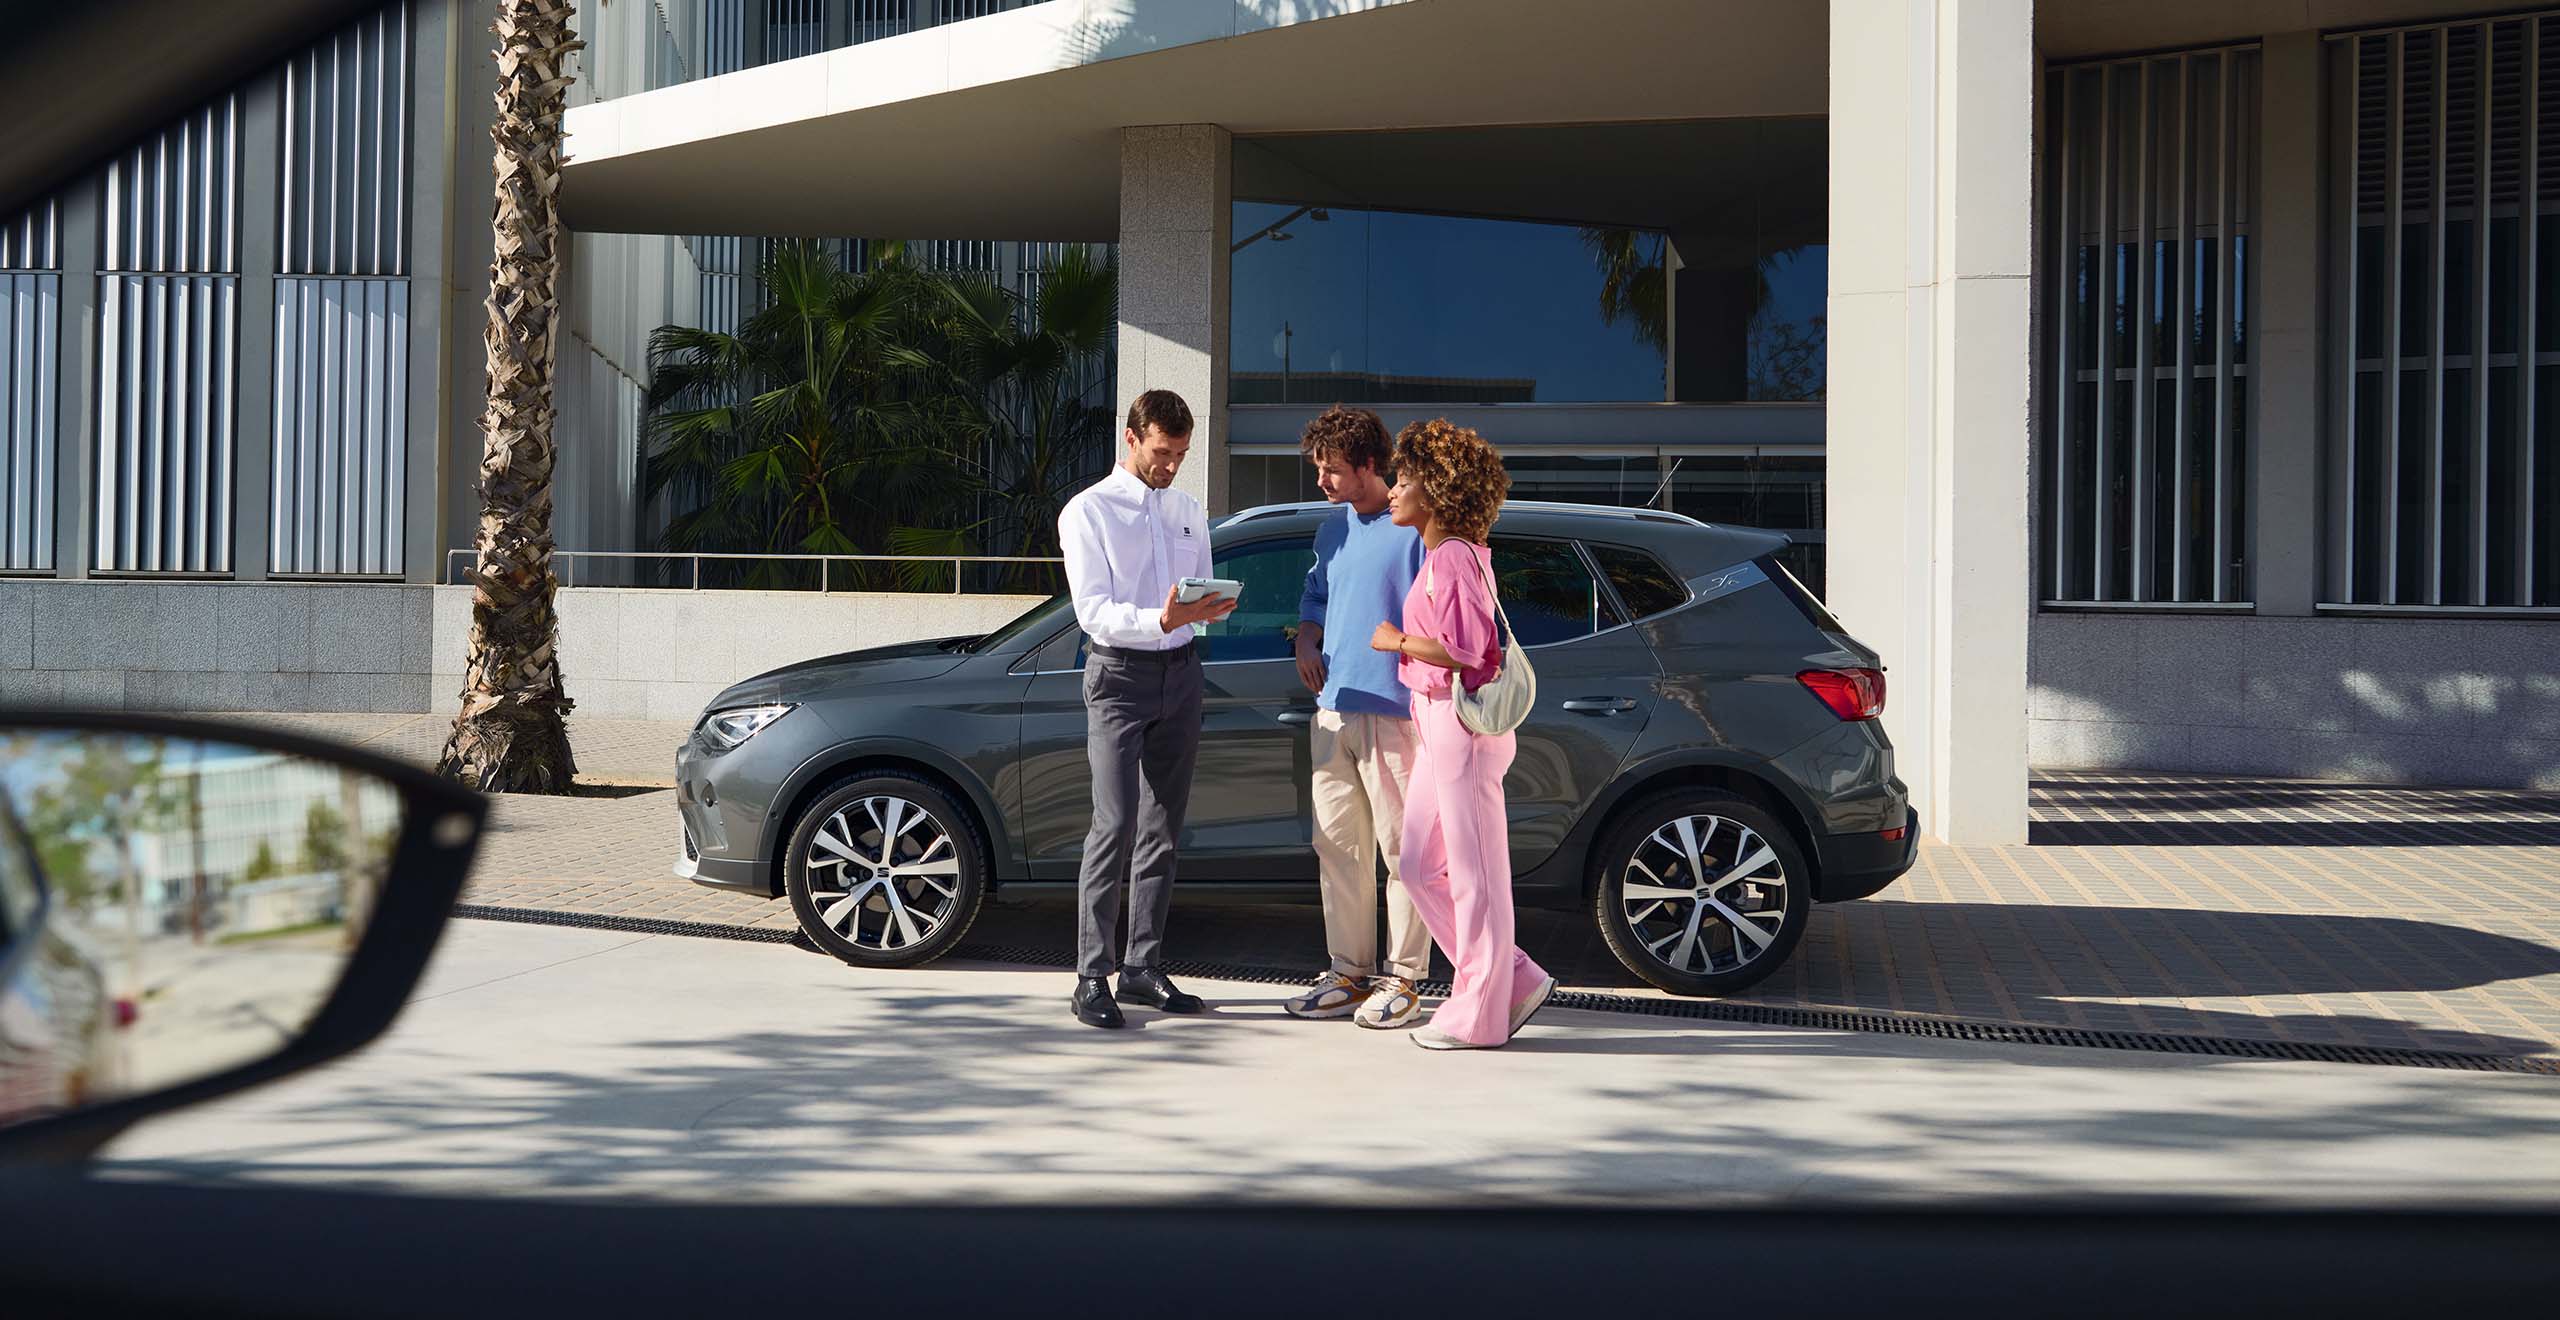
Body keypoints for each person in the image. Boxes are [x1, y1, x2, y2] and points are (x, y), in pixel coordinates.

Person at [1367, 419, 1557, 1050]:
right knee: (1420, 866)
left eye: (1404, 479)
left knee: (1476, 875)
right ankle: (1514, 976)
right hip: (1437, 725)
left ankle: (1479, 1015)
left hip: (1461, 725)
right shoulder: (1447, 555)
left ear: (1438, 489)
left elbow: (1470, 651)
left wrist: (1395, 639)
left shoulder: (1451, 556)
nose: (1393, 491)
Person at [1055, 389, 1237, 1029]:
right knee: (1114, 822)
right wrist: (1160, 617)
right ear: (1130, 439)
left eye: (1182, 454)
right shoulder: (1087, 511)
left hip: (1183, 673)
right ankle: (1090, 976)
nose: (1171, 465)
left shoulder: (1189, 508)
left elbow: (1202, 594)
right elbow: (1093, 612)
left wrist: (1210, 607)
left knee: (1164, 827)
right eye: (1163, 452)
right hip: (1119, 676)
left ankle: (1142, 966)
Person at [1282, 405, 1430, 1029]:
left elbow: (1442, 617)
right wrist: (1306, 640)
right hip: (1333, 712)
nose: (1322, 481)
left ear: (1371, 465)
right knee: (1338, 848)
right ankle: (1348, 973)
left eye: (1333, 470)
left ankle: (1405, 978)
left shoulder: (1416, 528)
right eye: (1318, 468)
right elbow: (1314, 597)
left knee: (1403, 852)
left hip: (1396, 713)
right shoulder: (1330, 529)